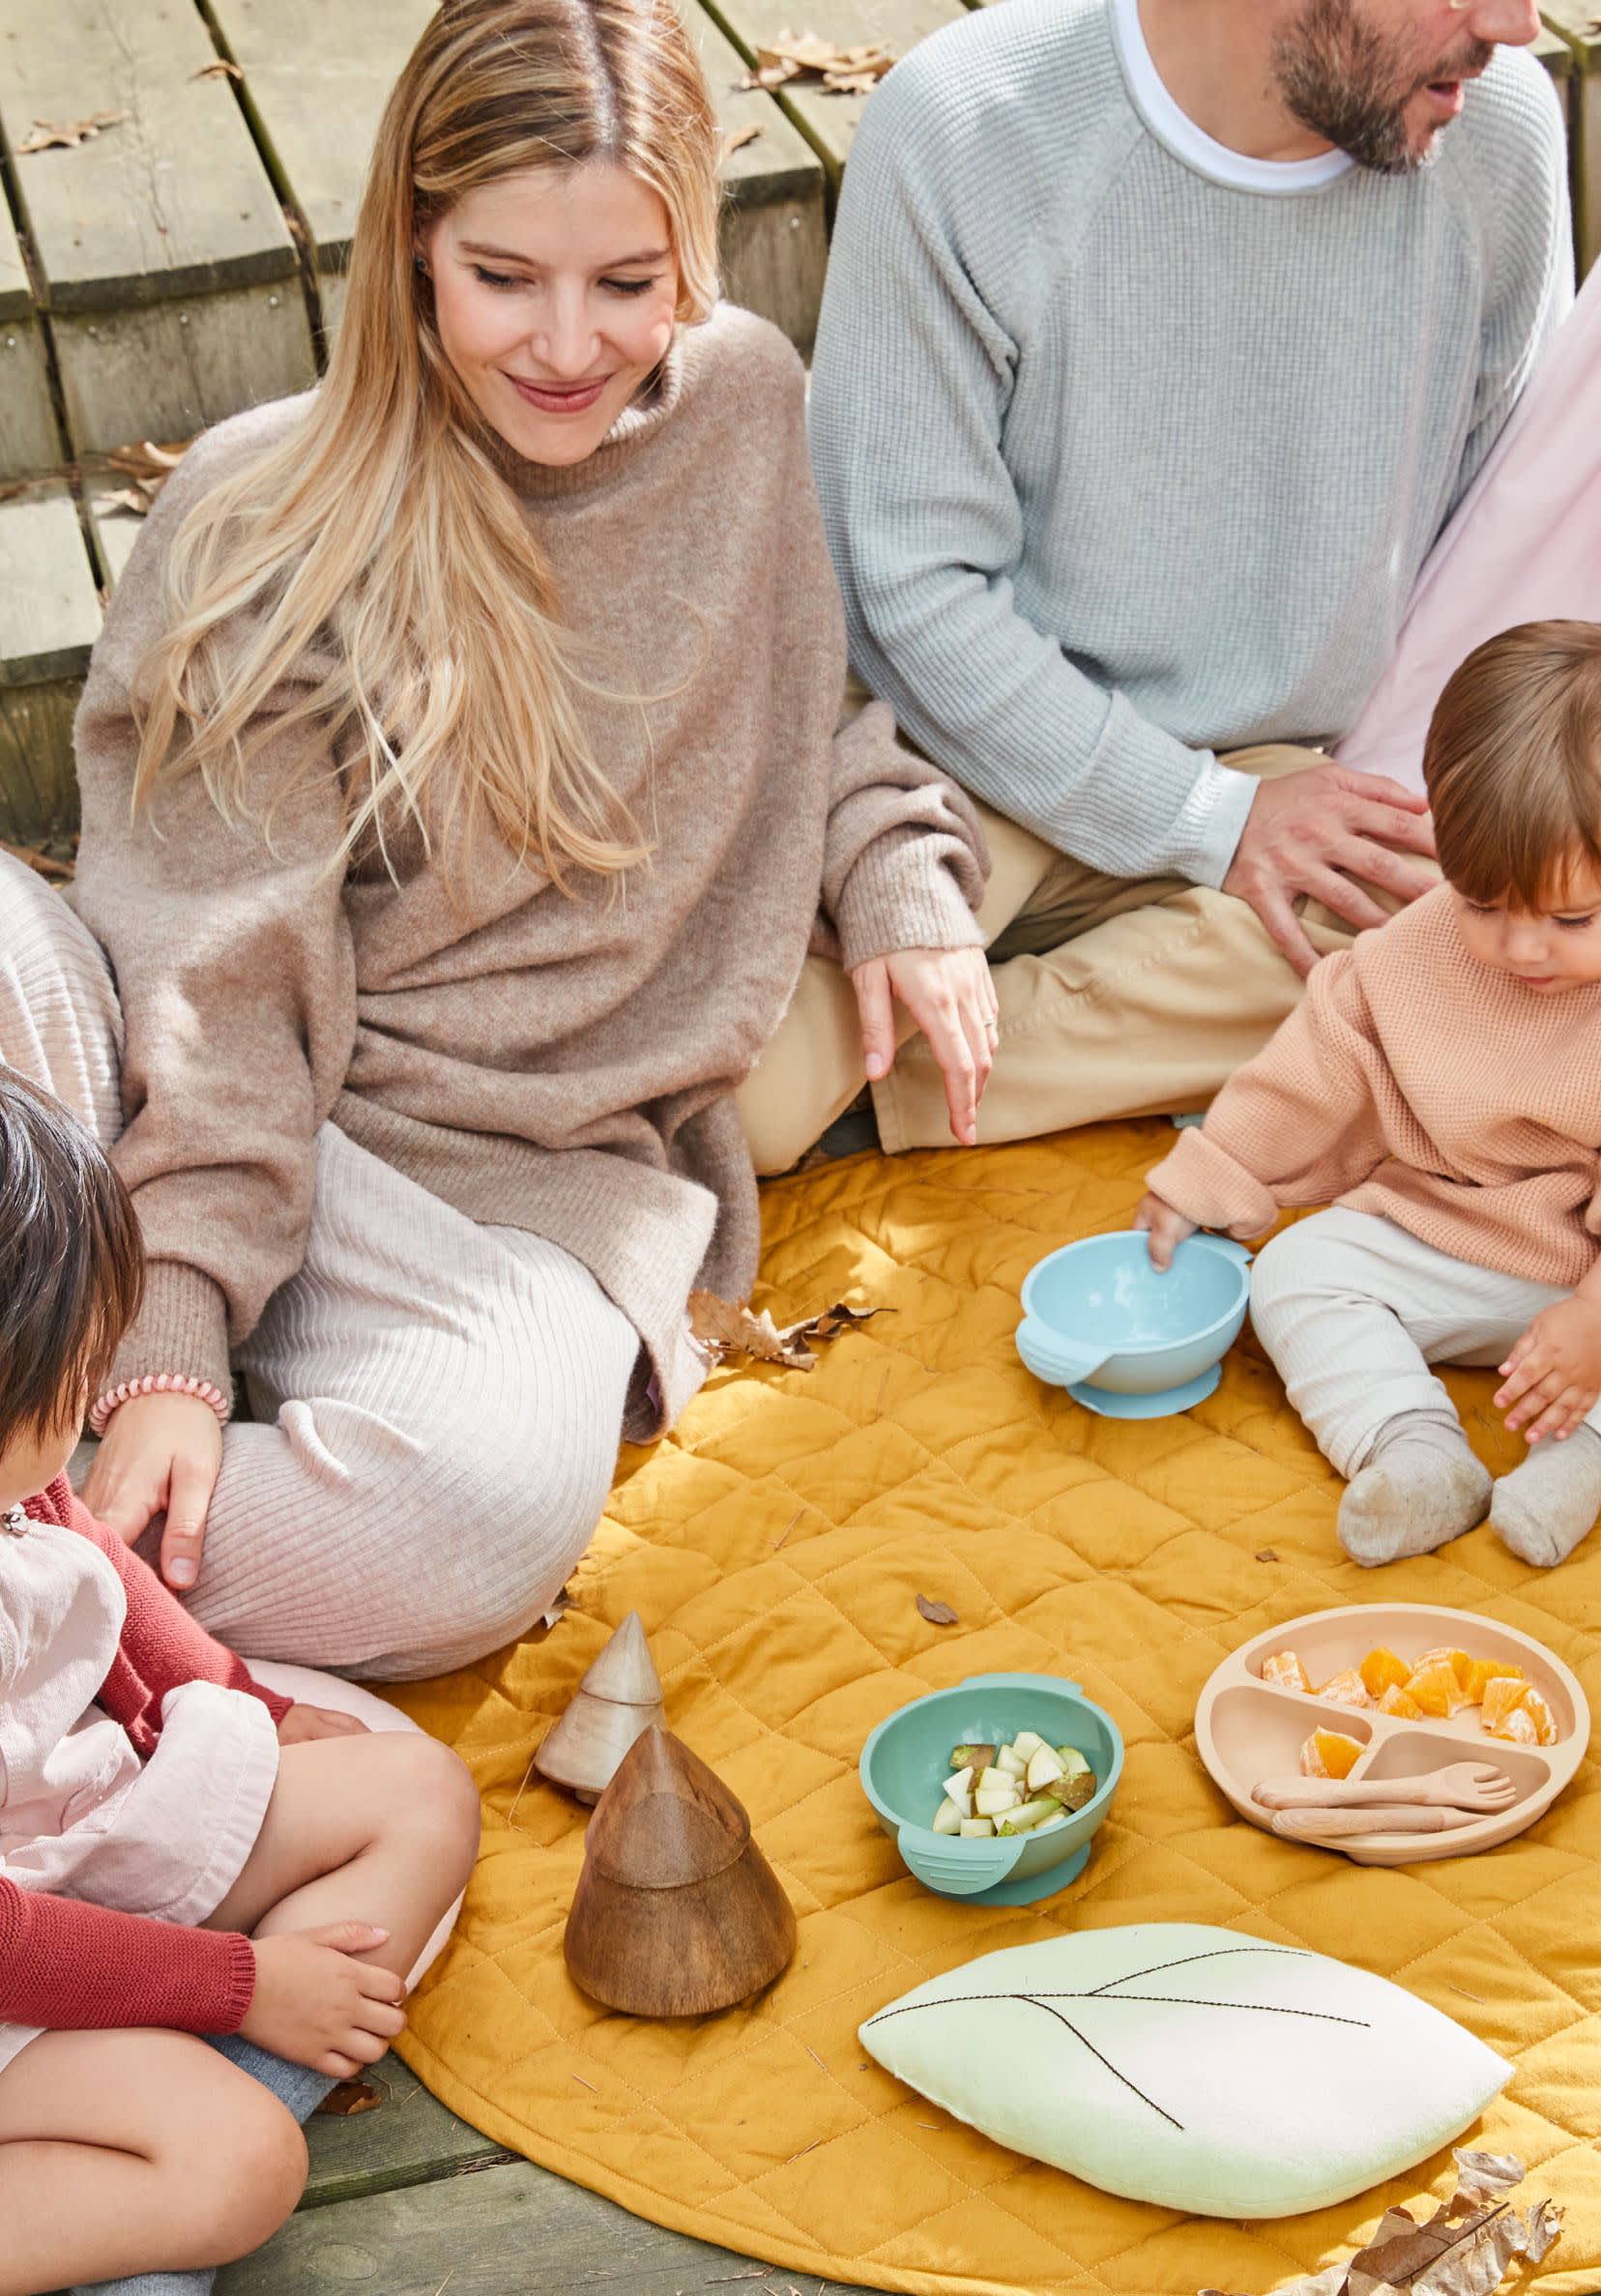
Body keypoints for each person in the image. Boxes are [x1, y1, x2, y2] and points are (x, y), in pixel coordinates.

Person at [0, 0, 992, 1679]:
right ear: (413, 251)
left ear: (694, 250)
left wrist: (898, 873)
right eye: (503, 277)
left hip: (500, 1186)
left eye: (628, 280)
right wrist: (168, 1327)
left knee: (471, 1520)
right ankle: (103, 1520)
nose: (566, 344)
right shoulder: (261, 513)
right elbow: (214, 967)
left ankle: (60, 1563)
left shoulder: (743, 410)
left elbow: (797, 711)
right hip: (189, 1104)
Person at [747, 0, 1574, 1174]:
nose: (1515, 25)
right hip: (963, 754)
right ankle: (899, 1051)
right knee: (737, 1087)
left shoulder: (1495, 134)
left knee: (1485, 937)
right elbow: (907, 589)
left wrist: (1276, 814)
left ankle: (899, 1072)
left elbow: (1497, 530)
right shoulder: (969, 123)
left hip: (1283, 773)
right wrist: (1201, 822)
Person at [1133, 623, 1601, 1569]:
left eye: (1570, 917)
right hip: (1471, 1240)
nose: (1520, 948)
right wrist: (1211, 1173)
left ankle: (1596, 1449)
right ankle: (1413, 1446)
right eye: (1482, 903)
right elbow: (1317, 1068)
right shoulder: (1415, 953)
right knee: (1298, 1272)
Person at [0, 1070, 480, 2296]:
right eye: (76, 1378)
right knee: (240, 2167)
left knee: (417, 1785)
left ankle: (155, 2119)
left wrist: (243, 1701)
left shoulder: (12, 1470)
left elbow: (89, 1558)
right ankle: (131, 2180)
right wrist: (245, 1985)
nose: (88, 1396)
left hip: (62, 1836)